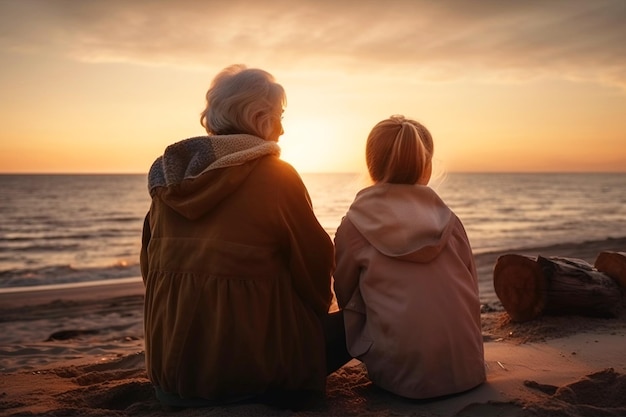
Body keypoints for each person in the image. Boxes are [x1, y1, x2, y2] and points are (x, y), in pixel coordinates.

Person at [140, 64, 349, 409]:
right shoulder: (275, 176)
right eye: (278, 116)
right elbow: (315, 267)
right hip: (250, 380)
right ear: (258, 117)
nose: (282, 128)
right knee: (363, 317)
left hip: (169, 380)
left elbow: (150, 272)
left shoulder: (167, 181)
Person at [333, 115, 486, 400]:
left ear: (371, 163)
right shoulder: (449, 219)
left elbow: (343, 291)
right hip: (467, 370)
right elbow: (472, 287)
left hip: (403, 380)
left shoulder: (354, 224)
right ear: (426, 165)